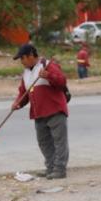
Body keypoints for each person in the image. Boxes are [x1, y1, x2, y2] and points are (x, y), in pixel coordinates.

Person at [12, 43, 69, 179]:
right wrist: (17, 104)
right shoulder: (26, 73)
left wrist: (48, 75)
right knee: (44, 142)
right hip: (39, 113)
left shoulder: (48, 65)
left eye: (22, 58)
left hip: (55, 110)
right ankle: (50, 168)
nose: (21, 62)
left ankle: (60, 170)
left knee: (59, 142)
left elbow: (62, 81)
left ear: (31, 56)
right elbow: (23, 93)